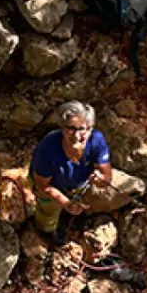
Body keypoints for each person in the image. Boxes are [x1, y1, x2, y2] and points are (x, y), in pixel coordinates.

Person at [30, 101, 114, 244]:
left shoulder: (96, 140)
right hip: (52, 187)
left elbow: (107, 174)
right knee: (48, 210)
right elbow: (42, 185)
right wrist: (65, 203)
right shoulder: (48, 148)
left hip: (80, 184)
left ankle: (80, 215)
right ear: (62, 128)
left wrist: (102, 180)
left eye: (82, 129)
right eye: (71, 128)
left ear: (90, 129)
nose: (76, 135)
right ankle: (47, 232)